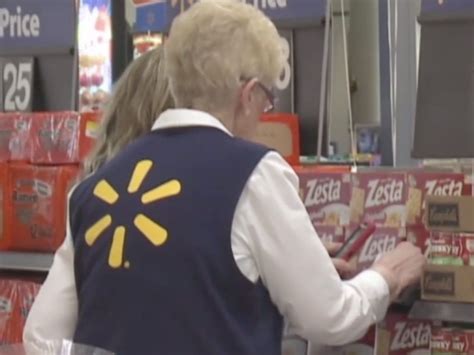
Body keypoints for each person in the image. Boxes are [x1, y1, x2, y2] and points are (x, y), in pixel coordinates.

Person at [24, 1, 425, 354]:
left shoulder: (95, 189)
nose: (266, 111)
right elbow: (329, 318)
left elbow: (40, 338)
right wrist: (386, 276)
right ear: (248, 94)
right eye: (268, 98)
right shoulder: (253, 174)